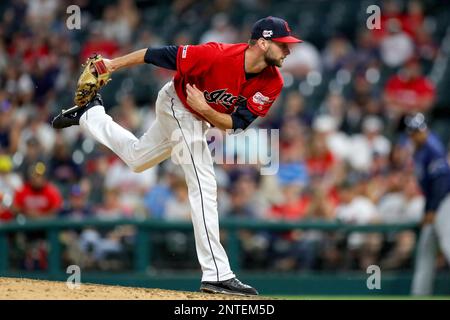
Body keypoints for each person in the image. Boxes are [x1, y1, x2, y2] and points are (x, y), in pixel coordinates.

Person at [51, 16, 302, 296]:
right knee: (204, 182)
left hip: (199, 117)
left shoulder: (273, 82)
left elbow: (237, 125)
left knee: (137, 159)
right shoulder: (216, 54)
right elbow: (154, 54)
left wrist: (205, 110)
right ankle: (217, 274)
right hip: (176, 104)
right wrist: (112, 64)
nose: (288, 50)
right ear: (263, 43)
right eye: (283, 44)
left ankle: (90, 115)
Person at [403, 113, 450, 295]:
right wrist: (427, 210)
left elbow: (443, 181)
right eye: (414, 132)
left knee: (447, 245)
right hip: (435, 204)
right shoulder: (420, 152)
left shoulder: (433, 148)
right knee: (425, 249)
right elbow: (429, 188)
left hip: (445, 202)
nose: (417, 134)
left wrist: (432, 210)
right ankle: (420, 295)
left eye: (420, 130)